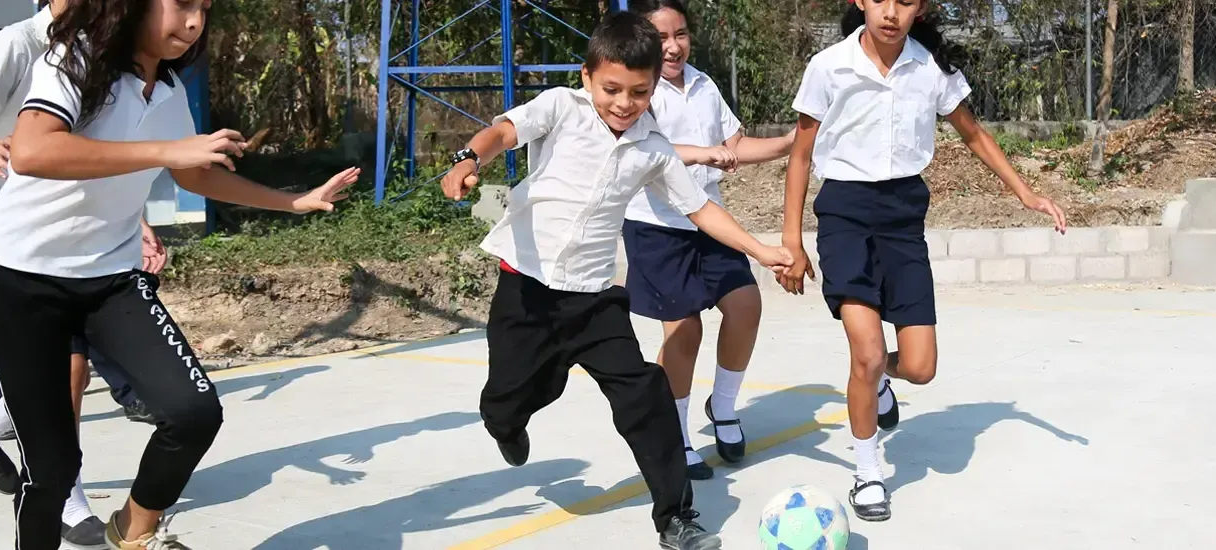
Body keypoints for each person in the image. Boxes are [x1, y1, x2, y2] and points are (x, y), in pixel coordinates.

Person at [0, 0, 357, 546]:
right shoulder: (73, 59)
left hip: (110, 278)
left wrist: (292, 202)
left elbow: (194, 175)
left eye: (204, 8)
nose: (194, 22)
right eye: (180, 5)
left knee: (194, 412)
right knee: (52, 467)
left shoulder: (168, 90)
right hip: (22, 278)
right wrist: (168, 148)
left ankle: (132, 531)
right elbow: (32, 150)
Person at [440, 12, 793, 550]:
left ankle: (675, 517)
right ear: (587, 78)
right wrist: (469, 159)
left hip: (594, 297)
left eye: (639, 91)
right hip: (527, 289)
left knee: (646, 395)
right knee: (507, 399)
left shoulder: (653, 146)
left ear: (654, 88)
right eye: (612, 89)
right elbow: (504, 131)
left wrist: (763, 251)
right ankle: (507, 424)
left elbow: (700, 208)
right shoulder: (560, 107)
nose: (624, 103)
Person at [778, 0, 1068, 522]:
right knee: (865, 352)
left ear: (922, 8)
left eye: (906, 1)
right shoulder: (829, 66)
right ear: (859, 2)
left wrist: (1026, 193)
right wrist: (792, 241)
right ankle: (868, 472)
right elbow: (801, 156)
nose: (891, 11)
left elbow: (974, 133)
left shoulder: (929, 68)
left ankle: (880, 381)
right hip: (844, 211)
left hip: (904, 217)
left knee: (920, 367)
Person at [0, 2, 154, 546]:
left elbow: (97, 156)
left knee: (70, 372)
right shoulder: (15, 45)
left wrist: (141, 220)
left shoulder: (99, 51)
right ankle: (61, 488)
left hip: (60, 230)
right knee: (60, 372)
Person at [621, 0, 797, 481]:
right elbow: (642, 148)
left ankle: (721, 407)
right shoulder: (637, 88)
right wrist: (702, 153)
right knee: (685, 330)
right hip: (657, 227)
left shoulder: (701, 84)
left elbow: (734, 146)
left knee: (746, 306)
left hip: (709, 219)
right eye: (661, 38)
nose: (673, 46)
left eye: (681, 34)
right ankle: (674, 434)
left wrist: (786, 144)